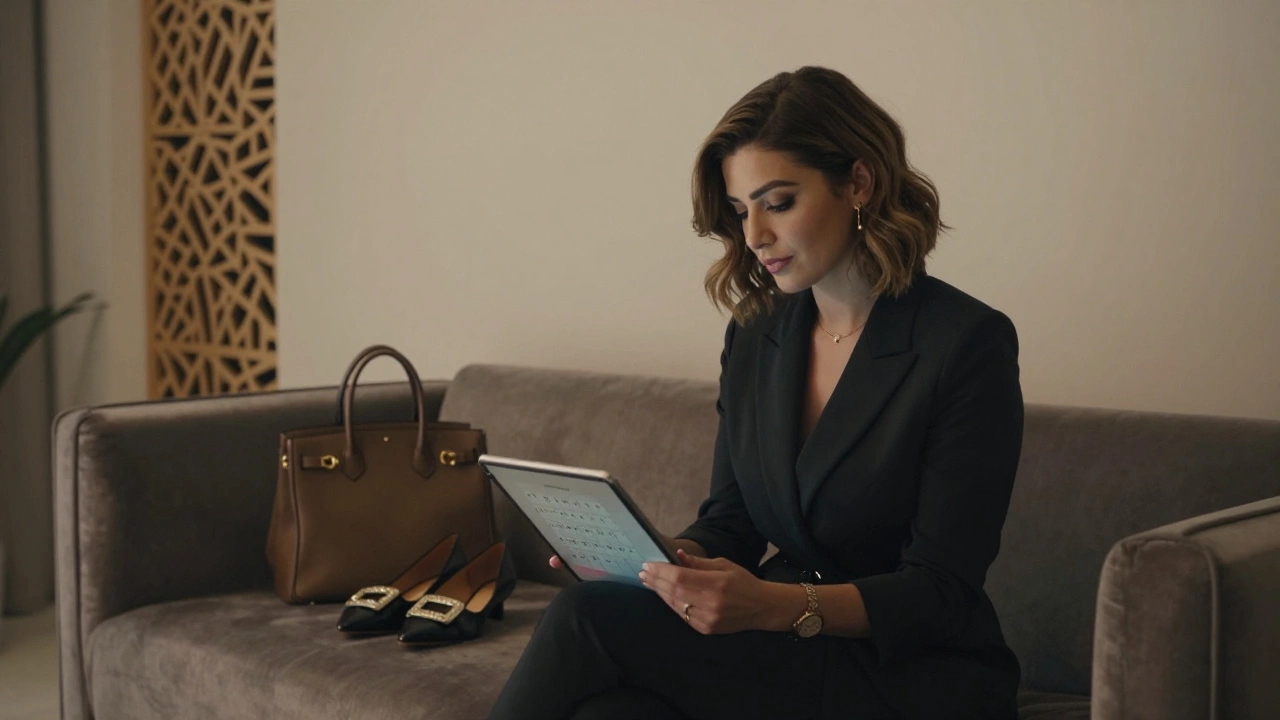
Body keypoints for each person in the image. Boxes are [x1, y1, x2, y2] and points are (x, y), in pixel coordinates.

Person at [488, 65, 1024, 720]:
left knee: (584, 618)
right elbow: (733, 520)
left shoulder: (965, 345)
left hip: (910, 674)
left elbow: (942, 592)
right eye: (742, 211)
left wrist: (771, 605)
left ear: (858, 182)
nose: (754, 237)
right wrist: (668, 563)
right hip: (785, 651)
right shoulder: (758, 334)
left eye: (778, 202)